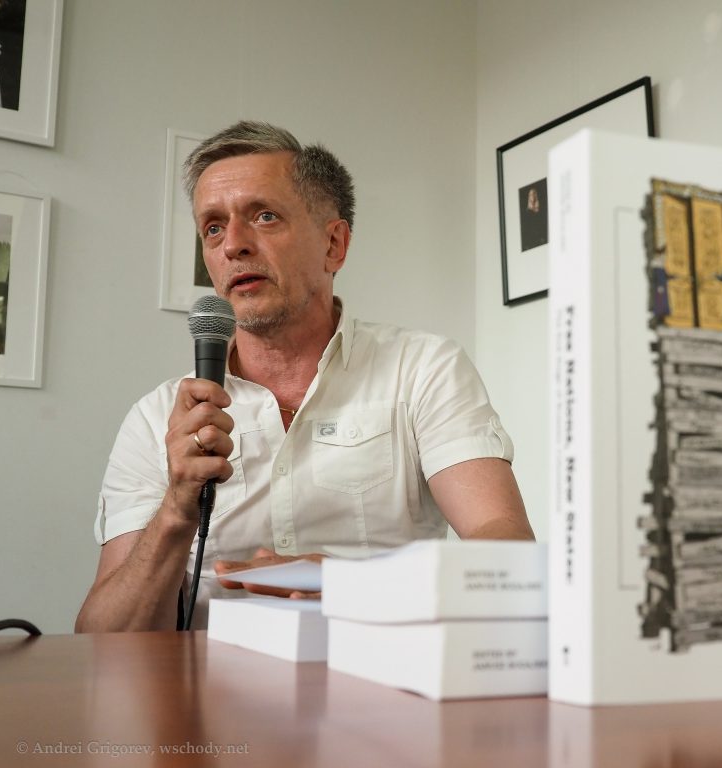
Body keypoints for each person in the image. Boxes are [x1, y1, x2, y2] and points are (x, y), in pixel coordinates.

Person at [76, 121, 534, 632]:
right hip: (209, 679)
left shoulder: (423, 369)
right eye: (213, 228)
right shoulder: (157, 417)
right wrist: (177, 508)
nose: (233, 245)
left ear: (334, 244)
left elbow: (508, 553)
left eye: (264, 216)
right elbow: (102, 639)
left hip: (381, 671)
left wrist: (360, 586)